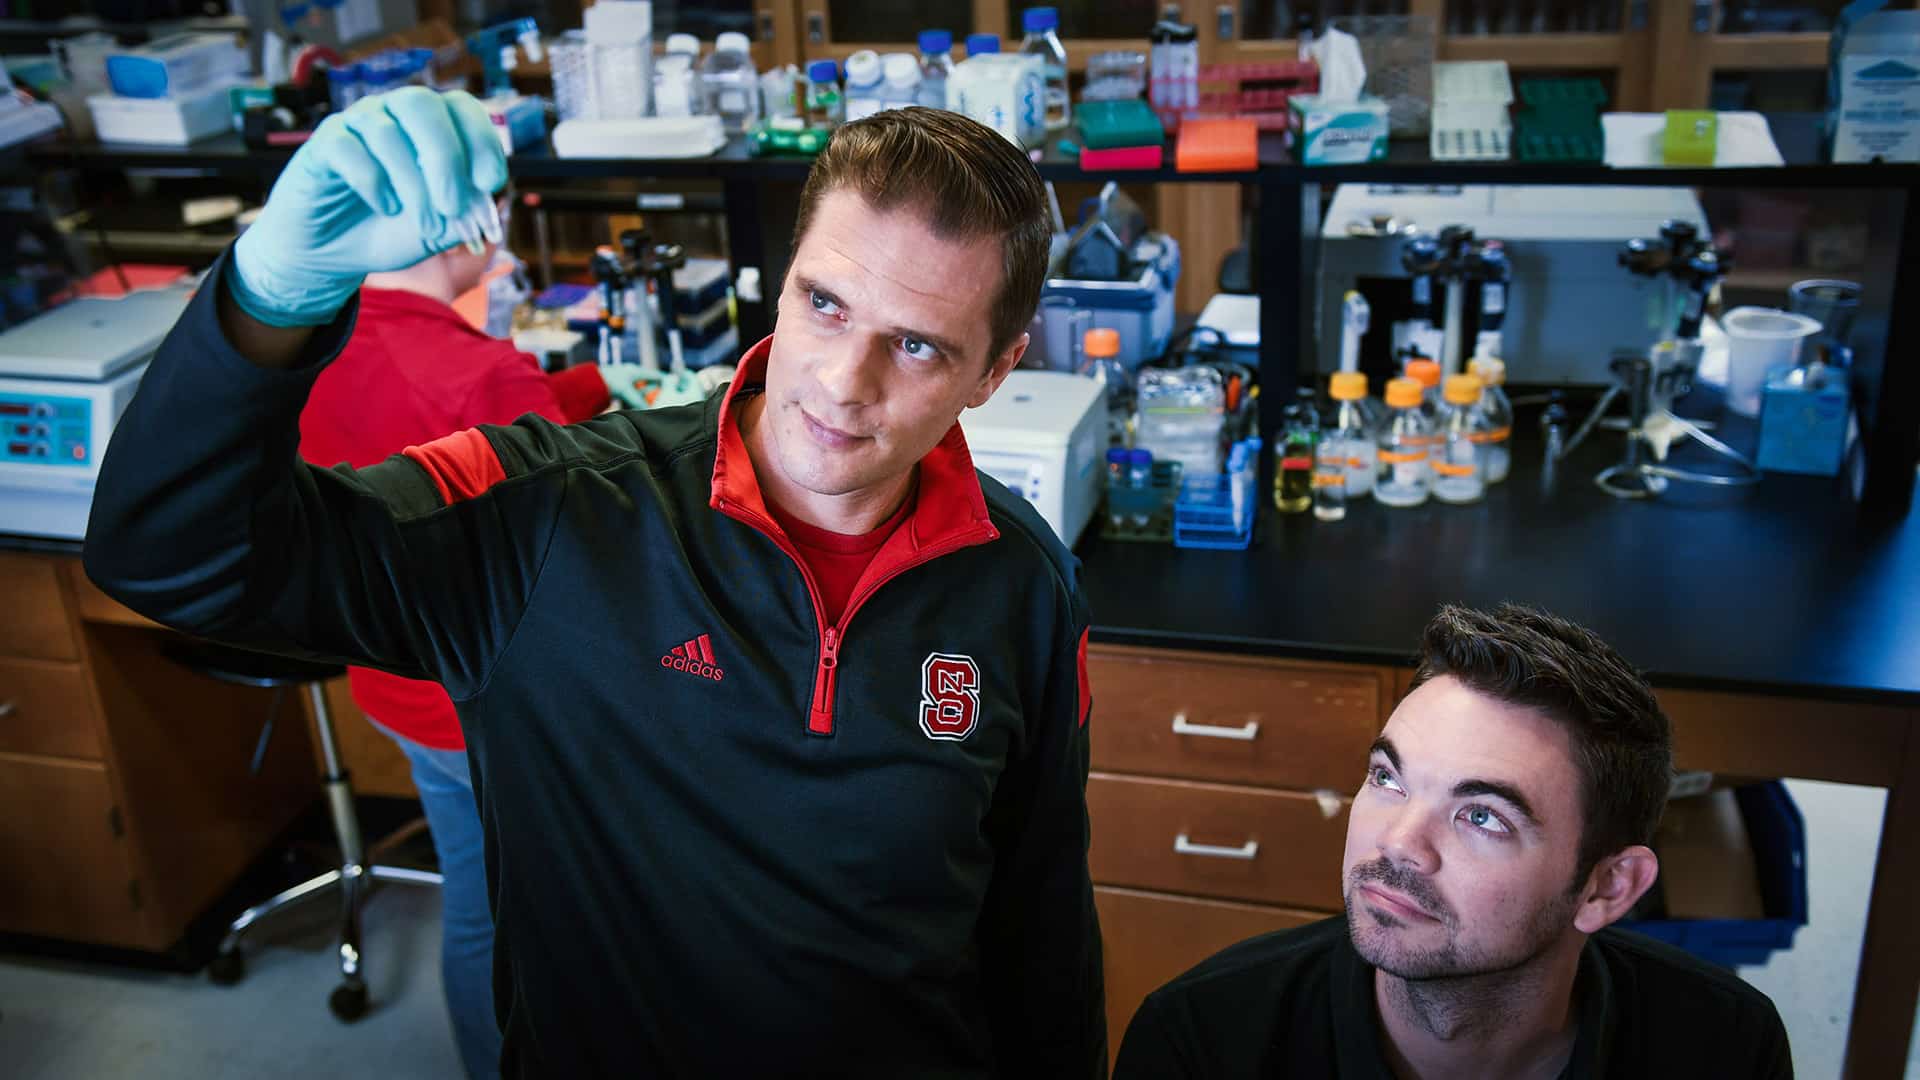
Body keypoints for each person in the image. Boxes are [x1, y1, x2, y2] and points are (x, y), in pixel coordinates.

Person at [84, 89, 1103, 1077]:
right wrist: (266, 298)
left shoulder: (1021, 581)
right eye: (824, 304)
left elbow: (1039, 921)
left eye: (915, 344)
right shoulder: (548, 515)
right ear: (783, 282)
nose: (843, 381)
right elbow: (170, 555)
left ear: (992, 372)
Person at [1113, 604, 1792, 1079]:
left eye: (1482, 816)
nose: (1400, 843)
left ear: (1606, 886)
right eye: (1388, 779)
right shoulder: (1201, 1043)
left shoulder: (1727, 1047)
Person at [296, 216, 611, 1080]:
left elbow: (459, 453)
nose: (503, 241)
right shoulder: (485, 375)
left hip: (391, 682)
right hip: (481, 706)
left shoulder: (316, 340)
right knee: (514, 914)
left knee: (478, 900)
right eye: (494, 216)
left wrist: (578, 388)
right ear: (455, 228)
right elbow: (584, 525)